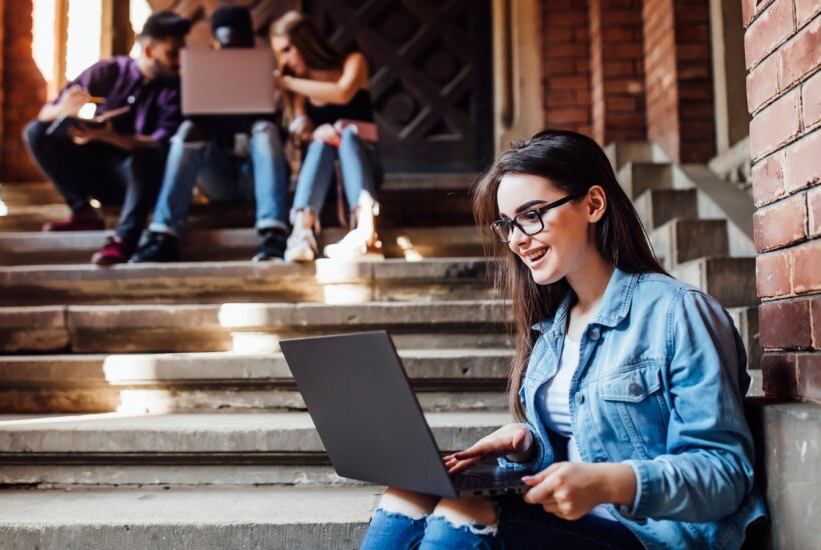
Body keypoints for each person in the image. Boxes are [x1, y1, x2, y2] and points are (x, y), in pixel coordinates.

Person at [359, 130, 766, 549]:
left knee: (465, 510)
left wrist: (611, 482)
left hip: (654, 535)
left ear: (593, 204)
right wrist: (527, 444)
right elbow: (585, 438)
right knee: (408, 493)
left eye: (532, 214)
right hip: (572, 524)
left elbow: (725, 473)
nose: (517, 239)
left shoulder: (677, 312)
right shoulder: (553, 327)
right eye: (507, 224)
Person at [24, 11, 190, 265]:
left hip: (140, 180)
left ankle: (124, 239)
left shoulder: (175, 90)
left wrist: (108, 136)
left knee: (147, 153)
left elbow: (160, 143)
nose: (179, 61)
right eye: (172, 53)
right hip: (95, 170)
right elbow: (45, 113)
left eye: (182, 53)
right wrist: (64, 111)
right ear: (148, 51)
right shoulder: (108, 71)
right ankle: (82, 213)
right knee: (36, 131)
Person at [130, 6, 290, 263]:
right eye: (227, 48)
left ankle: (274, 234)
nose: (233, 55)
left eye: (240, 48)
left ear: (251, 45)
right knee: (188, 129)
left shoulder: (274, 79)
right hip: (219, 179)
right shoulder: (196, 78)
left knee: (265, 129)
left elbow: (281, 142)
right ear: (215, 45)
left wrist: (268, 104)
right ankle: (164, 235)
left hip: (256, 177)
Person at [270, 10, 383, 262]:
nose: (284, 60)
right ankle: (302, 231)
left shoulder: (353, 62)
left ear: (306, 43)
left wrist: (286, 83)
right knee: (322, 141)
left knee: (348, 136)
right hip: (324, 177)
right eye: (280, 53)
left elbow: (342, 93)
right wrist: (313, 131)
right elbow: (304, 131)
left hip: (364, 168)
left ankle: (367, 233)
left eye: (287, 49)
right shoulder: (300, 88)